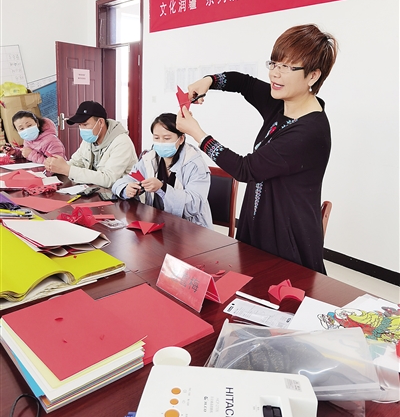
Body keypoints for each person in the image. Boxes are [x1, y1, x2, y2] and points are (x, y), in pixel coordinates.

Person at [176, 24, 338, 273]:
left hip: (287, 239)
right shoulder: (281, 103)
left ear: (313, 76)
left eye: (287, 67)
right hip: (258, 227)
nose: (275, 74)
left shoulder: (309, 131)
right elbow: (244, 83)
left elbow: (246, 169)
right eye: (274, 63)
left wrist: (198, 134)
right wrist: (209, 80)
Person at [112, 112, 213, 229]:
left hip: (190, 228)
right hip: (157, 222)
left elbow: (193, 205)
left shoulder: (195, 165)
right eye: (156, 138)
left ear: (181, 139)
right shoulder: (149, 158)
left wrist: (162, 188)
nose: (161, 142)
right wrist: (126, 188)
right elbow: (123, 181)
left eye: (167, 138)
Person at [44, 101, 137, 188]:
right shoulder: (90, 139)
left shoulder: (122, 142)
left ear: (101, 122)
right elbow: (76, 162)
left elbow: (108, 179)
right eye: (79, 125)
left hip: (121, 195)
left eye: (85, 124)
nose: (82, 129)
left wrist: (67, 169)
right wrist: (58, 165)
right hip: (96, 190)